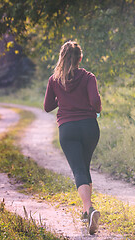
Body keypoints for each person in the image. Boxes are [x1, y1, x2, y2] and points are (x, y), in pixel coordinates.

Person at [43, 41, 102, 235]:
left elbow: (47, 106)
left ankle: (88, 209)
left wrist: (61, 99)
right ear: (80, 58)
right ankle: (87, 211)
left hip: (67, 128)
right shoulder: (88, 77)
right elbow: (94, 101)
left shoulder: (54, 80)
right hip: (89, 127)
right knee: (84, 166)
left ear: (62, 57)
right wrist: (97, 108)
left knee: (79, 169)